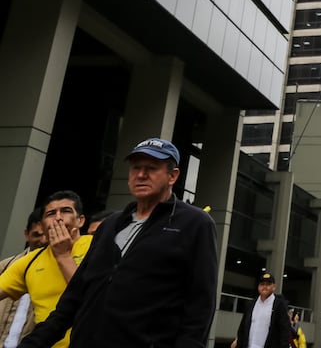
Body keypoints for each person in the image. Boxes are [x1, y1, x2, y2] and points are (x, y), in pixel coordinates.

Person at [19, 138, 219, 348]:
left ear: (173, 175)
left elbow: (200, 307)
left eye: (151, 168)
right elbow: (73, 299)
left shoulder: (195, 223)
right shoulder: (110, 225)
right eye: (135, 168)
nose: (141, 175)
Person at [0, 191, 93, 348]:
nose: (58, 217)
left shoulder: (97, 245)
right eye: (51, 213)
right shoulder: (30, 260)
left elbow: (93, 298)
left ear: (80, 221)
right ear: (42, 224)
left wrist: (63, 256)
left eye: (66, 211)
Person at [0, 212, 46, 348]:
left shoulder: (57, 271)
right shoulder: (5, 266)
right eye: (37, 235)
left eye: (47, 235)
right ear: (27, 234)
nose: (43, 240)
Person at [232, 271, 292, 348]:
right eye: (262, 284)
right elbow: (242, 328)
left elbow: (284, 331)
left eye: (268, 284)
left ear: (274, 287)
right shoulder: (251, 304)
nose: (265, 287)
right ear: (258, 286)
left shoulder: (279, 305)